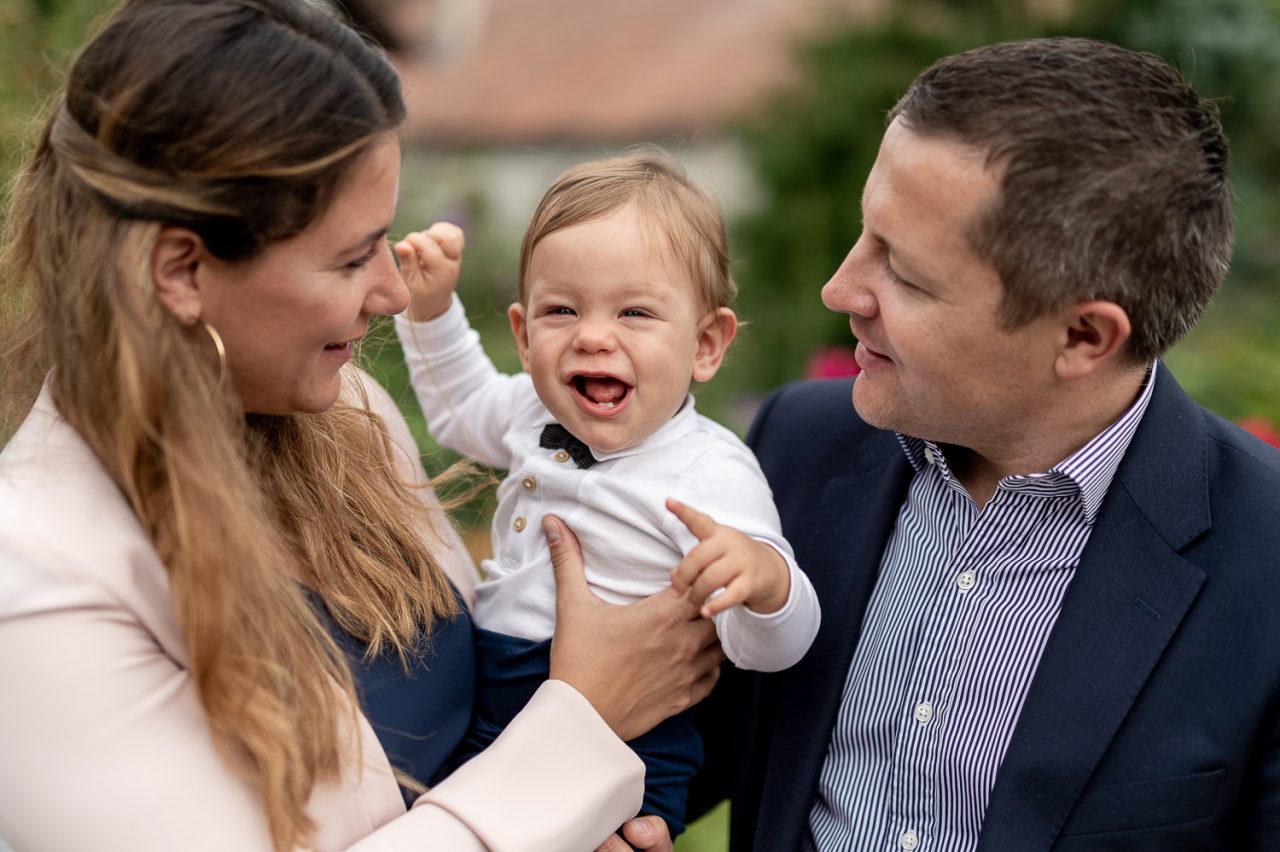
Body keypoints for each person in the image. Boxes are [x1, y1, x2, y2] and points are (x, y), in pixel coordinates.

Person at [0, 2, 724, 850]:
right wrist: (582, 725)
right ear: (182, 270)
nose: (388, 292)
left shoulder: (347, 418)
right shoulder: (37, 585)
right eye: (350, 257)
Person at [620, 36, 1280, 852]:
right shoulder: (800, 446)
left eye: (903, 271)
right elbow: (696, 744)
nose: (840, 288)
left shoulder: (1268, 561)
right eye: (866, 235)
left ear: (1083, 335)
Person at [392, 151, 822, 835]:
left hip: (629, 737)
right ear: (525, 336)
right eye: (562, 310)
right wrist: (431, 312)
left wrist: (766, 583)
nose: (594, 335)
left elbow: (771, 650)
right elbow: (460, 406)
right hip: (496, 690)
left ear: (706, 345)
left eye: (634, 312)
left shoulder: (708, 472)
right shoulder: (533, 415)